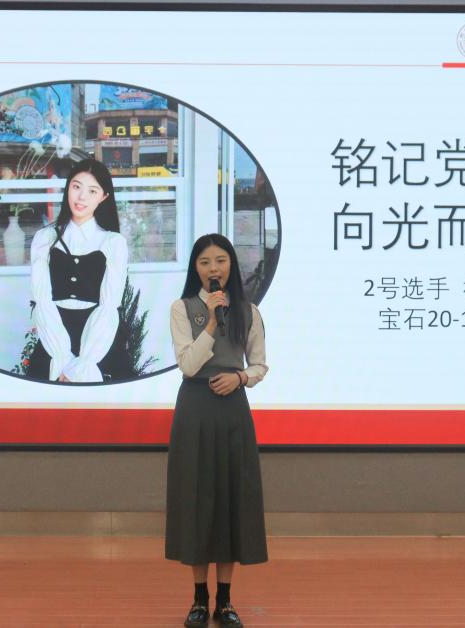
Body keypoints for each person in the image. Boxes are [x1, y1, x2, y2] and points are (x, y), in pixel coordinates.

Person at [165, 234, 269, 628]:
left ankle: (225, 601)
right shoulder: (182, 308)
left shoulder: (248, 312)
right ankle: (198, 599)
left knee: (229, 499)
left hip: (232, 411)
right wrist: (210, 322)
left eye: (221, 261)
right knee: (197, 498)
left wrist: (240, 377)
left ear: (231, 266)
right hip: (195, 407)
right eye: (205, 262)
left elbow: (259, 365)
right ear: (196, 268)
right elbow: (188, 365)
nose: (214, 268)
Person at [25, 159, 132, 383]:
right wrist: (61, 356)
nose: (82, 197)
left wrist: (84, 363)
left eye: (92, 191)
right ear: (67, 189)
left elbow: (109, 305)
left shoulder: (113, 242)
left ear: (103, 197)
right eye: (76, 187)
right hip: (53, 333)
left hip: (99, 339)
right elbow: (42, 300)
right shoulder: (45, 238)